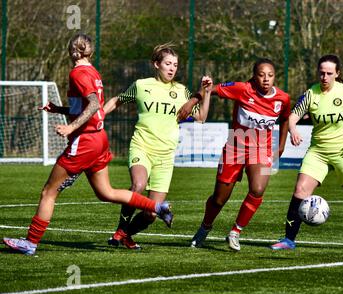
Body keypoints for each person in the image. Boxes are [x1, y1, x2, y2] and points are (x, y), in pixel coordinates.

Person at [2, 33, 172, 256]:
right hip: (99, 139)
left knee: (48, 192)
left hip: (85, 141)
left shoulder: (78, 73)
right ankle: (157, 207)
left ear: (72, 51)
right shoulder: (93, 73)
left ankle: (31, 243)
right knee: (106, 192)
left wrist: (71, 128)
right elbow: (91, 107)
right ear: (90, 52)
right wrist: (59, 110)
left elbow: (92, 105)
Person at [270, 54, 343, 252]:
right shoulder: (310, 94)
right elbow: (292, 117)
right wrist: (294, 130)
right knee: (300, 191)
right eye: (321, 73)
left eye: (329, 73)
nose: (324, 77)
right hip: (318, 152)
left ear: (337, 74)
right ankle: (289, 239)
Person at [103, 43, 212, 250]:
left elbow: (202, 117)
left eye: (175, 65)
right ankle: (120, 229)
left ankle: (126, 235)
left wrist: (206, 93)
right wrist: (99, 115)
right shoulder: (141, 85)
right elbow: (118, 100)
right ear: (156, 64)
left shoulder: (181, 91)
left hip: (165, 157)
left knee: (151, 214)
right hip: (142, 146)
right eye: (168, 64)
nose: (172, 68)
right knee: (138, 186)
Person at [179, 58, 291, 251]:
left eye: (270, 75)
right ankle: (205, 227)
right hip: (235, 147)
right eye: (261, 75)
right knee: (219, 199)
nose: (266, 79)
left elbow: (286, 118)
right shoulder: (242, 89)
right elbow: (210, 90)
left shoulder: (283, 98)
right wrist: (192, 101)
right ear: (254, 76)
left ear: (275, 77)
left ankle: (235, 231)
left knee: (257, 190)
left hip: (261, 149)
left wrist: (281, 146)